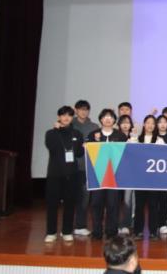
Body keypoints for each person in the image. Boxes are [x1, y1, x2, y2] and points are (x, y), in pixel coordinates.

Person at [44, 106, 84, 243]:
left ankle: (67, 231)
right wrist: (57, 130)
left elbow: (79, 153)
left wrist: (83, 147)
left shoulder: (77, 133)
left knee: (70, 204)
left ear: (72, 117)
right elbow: (52, 147)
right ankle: (51, 232)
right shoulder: (51, 133)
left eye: (69, 115)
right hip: (55, 174)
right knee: (52, 204)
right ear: (59, 117)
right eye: (63, 115)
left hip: (72, 174)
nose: (66, 117)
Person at [87, 108, 128, 240]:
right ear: (101, 119)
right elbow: (88, 152)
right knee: (96, 204)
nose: (108, 119)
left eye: (110, 117)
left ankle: (111, 231)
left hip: (114, 176)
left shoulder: (120, 136)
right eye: (105, 116)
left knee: (113, 204)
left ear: (114, 120)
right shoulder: (93, 134)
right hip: (97, 175)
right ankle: (97, 231)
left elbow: (125, 153)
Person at [70, 99, 98, 237]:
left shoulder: (94, 126)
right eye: (81, 109)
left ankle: (80, 225)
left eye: (86, 109)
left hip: (88, 166)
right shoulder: (70, 124)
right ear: (76, 110)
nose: (83, 112)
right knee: (69, 197)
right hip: (70, 167)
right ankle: (66, 227)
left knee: (84, 198)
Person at [133, 116, 159, 239]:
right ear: (144, 125)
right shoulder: (137, 139)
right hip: (139, 178)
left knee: (153, 205)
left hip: (154, 179)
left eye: (152, 123)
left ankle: (153, 231)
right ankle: (138, 231)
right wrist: (132, 137)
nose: (150, 125)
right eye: (148, 123)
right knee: (139, 206)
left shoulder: (159, 140)